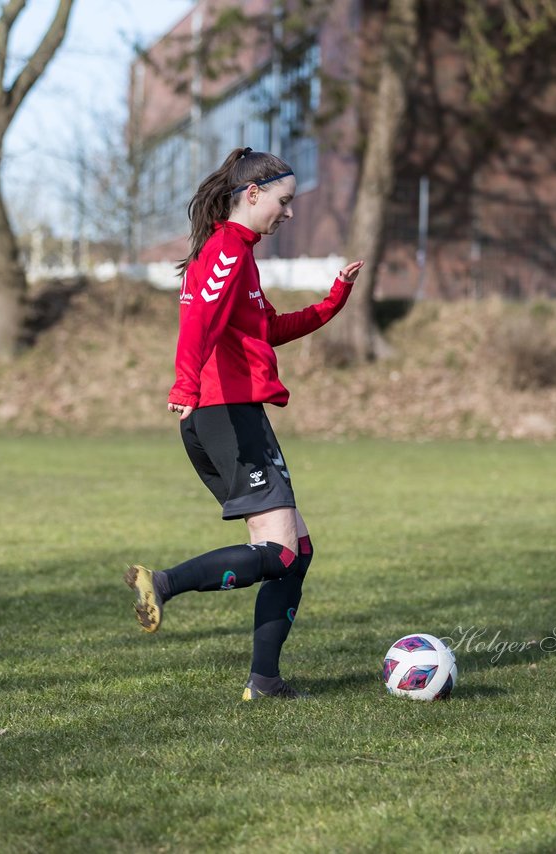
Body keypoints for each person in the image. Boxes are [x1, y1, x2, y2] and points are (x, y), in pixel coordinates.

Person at [124, 146, 364, 700]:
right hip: (224, 414)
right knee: (280, 554)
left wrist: (333, 301)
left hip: (225, 414)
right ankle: (161, 584)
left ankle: (266, 681)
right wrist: (185, 383)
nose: (289, 212)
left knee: (295, 554)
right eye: (283, 201)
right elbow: (199, 321)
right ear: (251, 194)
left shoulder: (236, 253)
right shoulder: (229, 249)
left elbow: (266, 331)